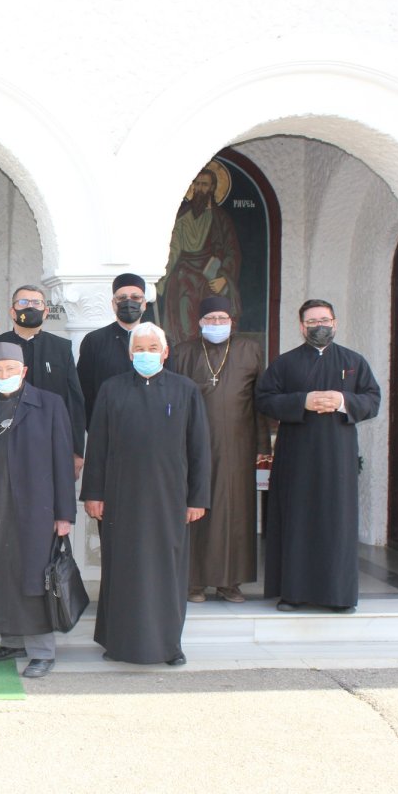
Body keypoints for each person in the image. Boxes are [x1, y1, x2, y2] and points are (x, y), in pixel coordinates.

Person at [81, 322, 211, 666]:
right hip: (120, 498)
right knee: (122, 568)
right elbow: (97, 446)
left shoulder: (186, 391)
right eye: (140, 349)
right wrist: (93, 493)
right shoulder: (111, 390)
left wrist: (197, 498)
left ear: (165, 353)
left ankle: (170, 646)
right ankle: (118, 643)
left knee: (167, 572)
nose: (146, 354)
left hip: (170, 500)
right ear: (130, 354)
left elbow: (199, 448)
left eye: (153, 348)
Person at [0, 342, 75, 678]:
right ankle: (11, 641)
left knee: (34, 579)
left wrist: (64, 514)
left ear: (24, 371)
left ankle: (41, 651)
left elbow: (62, 463)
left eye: (11, 368)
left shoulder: (49, 405)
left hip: (36, 510)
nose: (5, 374)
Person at [255, 299, 380, 613]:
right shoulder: (284, 363)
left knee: (336, 524)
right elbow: (265, 399)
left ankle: (338, 596)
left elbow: (372, 399)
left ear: (335, 323)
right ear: (301, 327)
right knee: (296, 520)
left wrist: (341, 400)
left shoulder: (354, 361)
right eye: (312, 322)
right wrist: (304, 401)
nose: (319, 326)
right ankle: (293, 594)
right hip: (296, 456)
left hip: (338, 457)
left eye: (324, 320)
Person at [170, 296, 271, 603]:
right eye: (210, 319)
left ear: (232, 321)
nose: (216, 324)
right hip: (193, 445)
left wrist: (262, 446)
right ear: (199, 322)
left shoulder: (249, 350)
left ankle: (231, 582)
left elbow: (260, 400)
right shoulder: (183, 352)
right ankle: (194, 582)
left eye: (222, 319)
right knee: (196, 509)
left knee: (235, 514)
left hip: (238, 446)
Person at [0, 286, 86, 477]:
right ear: (12, 311)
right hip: (2, 439)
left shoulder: (61, 348)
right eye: (23, 303)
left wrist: (76, 449)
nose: (30, 307)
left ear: (45, 311)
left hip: (49, 440)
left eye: (36, 303)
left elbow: (74, 400)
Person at [158, 166, 243, 345]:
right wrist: (161, 279)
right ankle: (184, 354)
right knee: (184, 308)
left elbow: (231, 252)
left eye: (205, 184)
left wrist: (224, 280)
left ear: (212, 188)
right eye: (196, 184)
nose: (200, 188)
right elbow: (172, 250)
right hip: (183, 277)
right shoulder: (182, 216)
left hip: (209, 279)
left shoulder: (221, 218)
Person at [77, 273, 147, 426]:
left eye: (135, 298)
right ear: (113, 304)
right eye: (122, 298)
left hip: (151, 426)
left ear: (144, 303)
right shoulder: (94, 341)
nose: (129, 302)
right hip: (107, 426)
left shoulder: (160, 340)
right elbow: (84, 391)